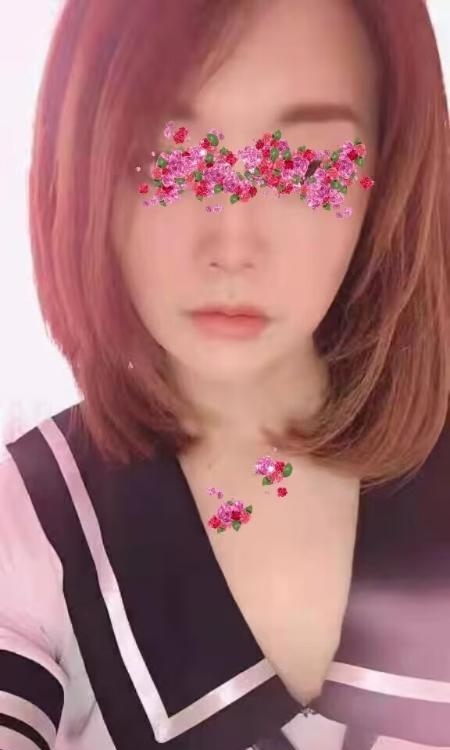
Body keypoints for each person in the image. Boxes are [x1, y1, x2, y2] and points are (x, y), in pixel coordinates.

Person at [1, 0, 450, 748]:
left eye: (305, 166)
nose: (232, 243)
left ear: (390, 171)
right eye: (163, 161)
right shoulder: (29, 519)